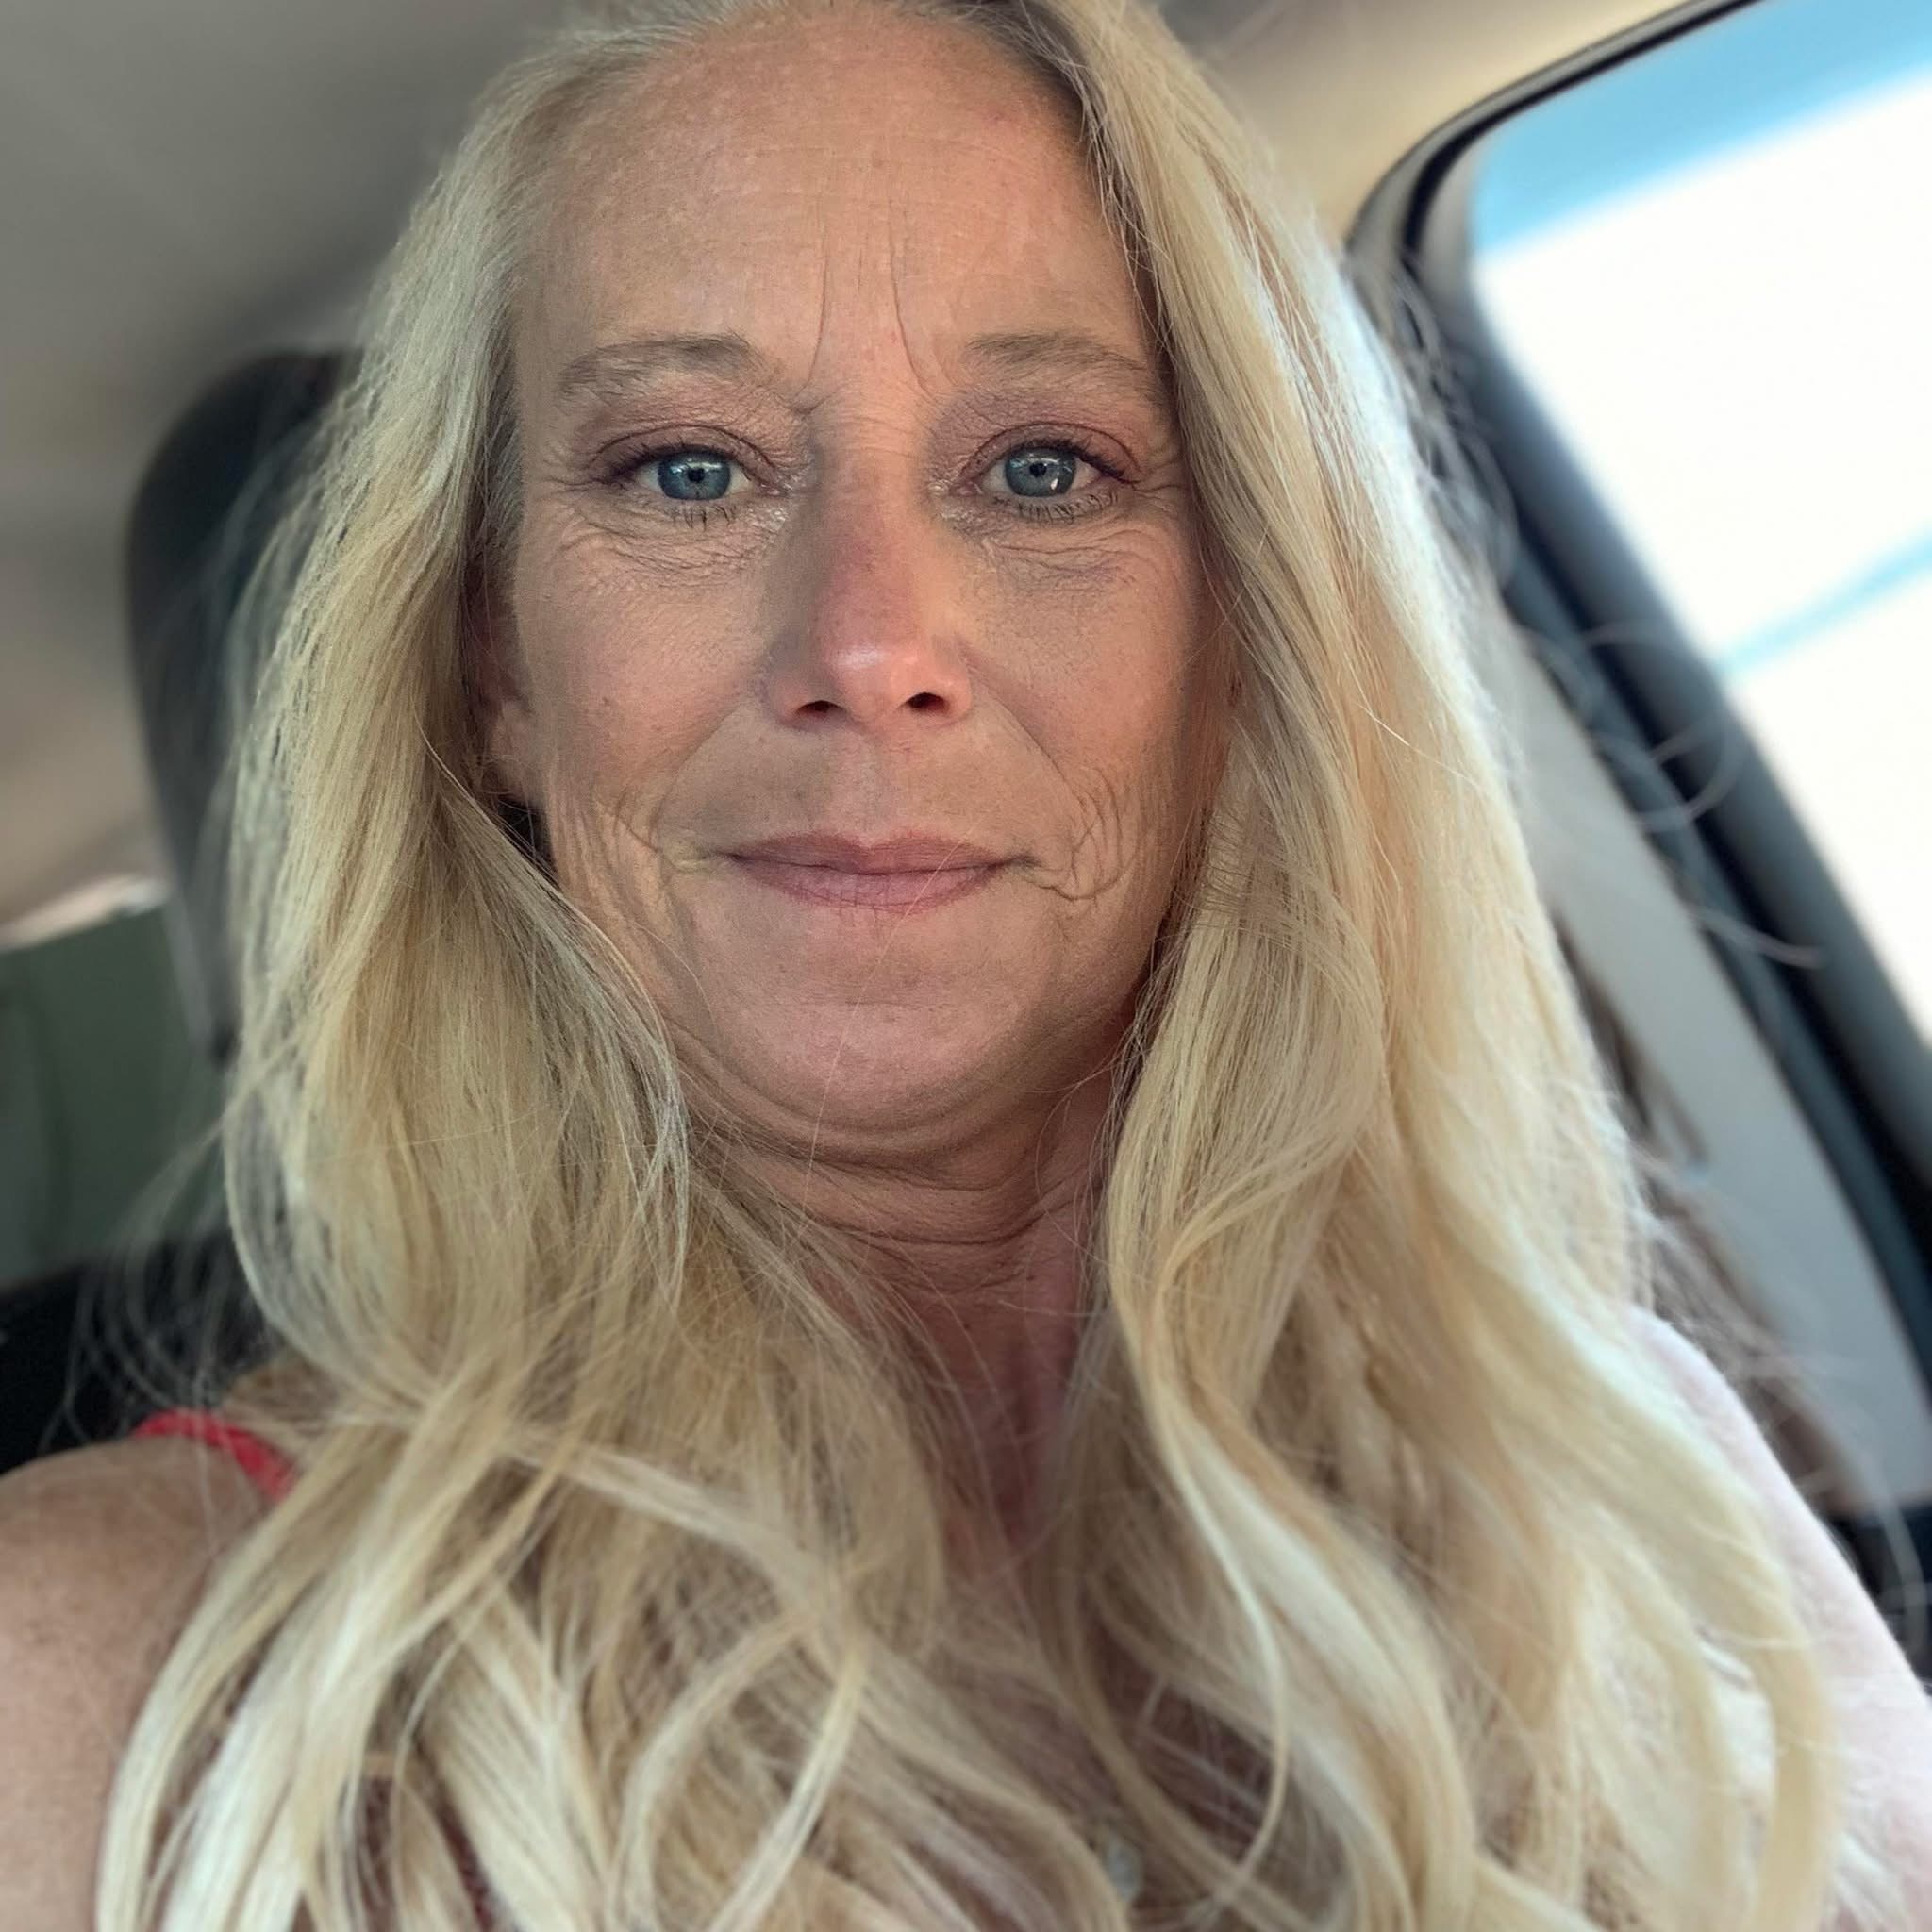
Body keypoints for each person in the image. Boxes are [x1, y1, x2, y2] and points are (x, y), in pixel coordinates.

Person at [1, 0, 1925, 1925]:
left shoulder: (1636, 1489)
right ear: (498, 668)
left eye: (1044, 470)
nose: (866, 644)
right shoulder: (88, 1693)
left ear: (1241, 640)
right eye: (686, 470)